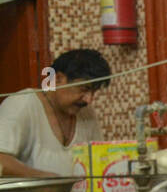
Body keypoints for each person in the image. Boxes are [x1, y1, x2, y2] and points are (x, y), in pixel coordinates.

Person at [0, 49, 110, 179]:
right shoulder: (24, 103)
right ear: (58, 79)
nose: (89, 99)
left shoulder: (86, 113)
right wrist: (48, 181)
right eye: (84, 89)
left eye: (94, 92)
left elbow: (100, 159)